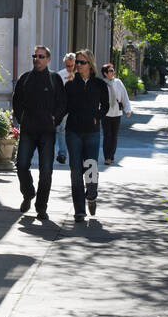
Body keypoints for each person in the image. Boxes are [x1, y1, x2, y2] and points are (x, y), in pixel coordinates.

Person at [12, 45, 67, 220]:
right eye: (35, 56)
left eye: (41, 56)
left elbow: (63, 103)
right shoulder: (25, 78)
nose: (37, 59)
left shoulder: (54, 79)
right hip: (28, 130)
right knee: (21, 165)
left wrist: (55, 119)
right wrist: (21, 119)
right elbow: (16, 101)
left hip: (47, 133)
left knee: (46, 171)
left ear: (48, 59)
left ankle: (41, 207)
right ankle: (28, 194)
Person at [64, 48, 109, 222]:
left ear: (90, 64)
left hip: (92, 132)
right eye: (77, 63)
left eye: (82, 62)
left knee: (91, 167)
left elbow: (105, 106)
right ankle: (79, 210)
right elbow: (64, 107)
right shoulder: (70, 84)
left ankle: (91, 195)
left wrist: (96, 117)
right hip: (73, 132)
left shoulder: (99, 84)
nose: (79, 65)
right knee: (75, 171)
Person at [100, 62, 132, 164]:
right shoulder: (101, 84)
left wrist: (127, 110)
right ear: (105, 73)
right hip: (105, 114)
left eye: (113, 70)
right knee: (107, 136)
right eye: (110, 70)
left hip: (116, 113)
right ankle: (107, 157)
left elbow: (124, 96)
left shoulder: (118, 82)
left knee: (114, 136)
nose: (113, 72)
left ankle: (112, 155)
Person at [55, 52, 74, 163]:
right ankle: (62, 153)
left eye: (72, 65)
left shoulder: (80, 74)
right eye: (68, 65)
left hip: (77, 107)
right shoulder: (60, 75)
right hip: (64, 106)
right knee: (62, 129)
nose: (70, 68)